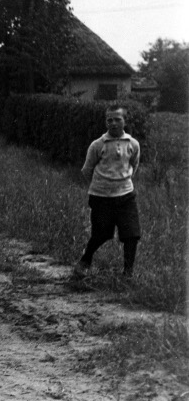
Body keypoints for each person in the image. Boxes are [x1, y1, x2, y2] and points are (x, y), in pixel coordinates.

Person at [73, 105, 141, 279]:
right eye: (109, 120)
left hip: (126, 196)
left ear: (125, 121)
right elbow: (86, 170)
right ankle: (85, 260)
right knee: (101, 234)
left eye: (117, 119)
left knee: (131, 234)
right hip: (101, 198)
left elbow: (134, 165)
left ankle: (128, 274)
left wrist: (122, 183)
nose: (113, 123)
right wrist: (102, 186)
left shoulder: (133, 144)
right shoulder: (98, 145)